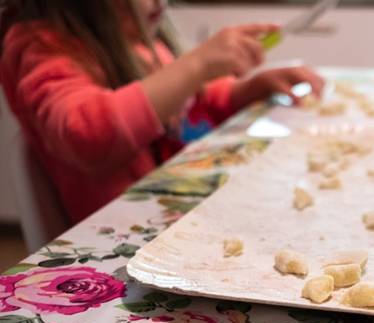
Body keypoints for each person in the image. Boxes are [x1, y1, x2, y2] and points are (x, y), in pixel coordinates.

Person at [0, 0, 324, 224]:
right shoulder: (40, 47)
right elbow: (87, 132)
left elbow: (195, 104)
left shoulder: (138, 44)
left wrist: (249, 89)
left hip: (179, 215)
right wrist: (196, 65)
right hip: (123, 247)